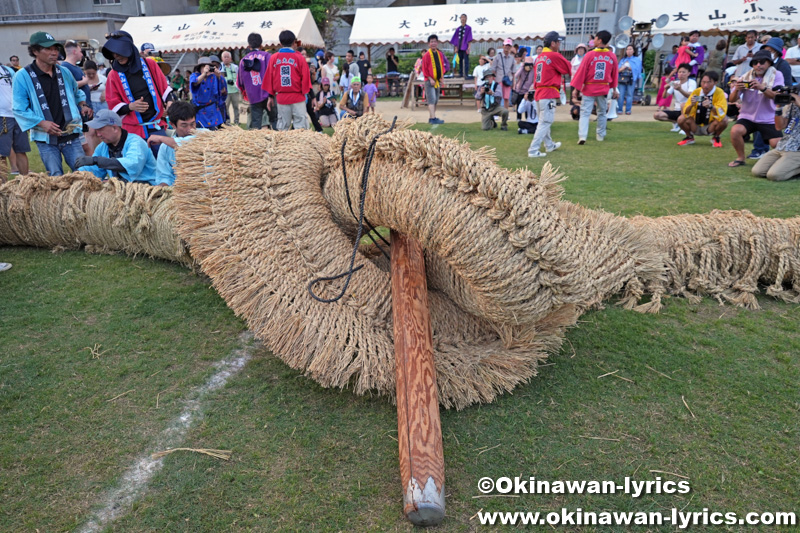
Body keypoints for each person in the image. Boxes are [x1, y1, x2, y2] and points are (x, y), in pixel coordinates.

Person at [13, 32, 92, 176]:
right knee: (55, 177)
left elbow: (76, 92)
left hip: (70, 133)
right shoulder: (22, 76)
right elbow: (19, 109)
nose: (54, 52)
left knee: (83, 175)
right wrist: (42, 123)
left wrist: (83, 104)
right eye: (48, 49)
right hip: (45, 138)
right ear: (35, 51)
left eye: (55, 49)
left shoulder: (64, 72)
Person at [102, 31, 173, 143]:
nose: (116, 56)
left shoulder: (150, 64)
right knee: (137, 160)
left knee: (162, 160)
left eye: (119, 52)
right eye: (113, 53)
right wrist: (130, 106)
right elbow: (113, 105)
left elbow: (164, 88)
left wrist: (169, 102)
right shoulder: (113, 74)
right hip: (132, 131)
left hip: (156, 126)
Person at [727, 50, 784, 167]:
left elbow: (777, 96)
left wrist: (762, 88)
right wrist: (737, 88)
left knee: (777, 144)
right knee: (735, 131)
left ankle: (780, 162)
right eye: (755, 62)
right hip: (747, 116)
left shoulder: (777, 75)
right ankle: (741, 158)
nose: (758, 65)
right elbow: (732, 100)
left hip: (769, 117)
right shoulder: (745, 76)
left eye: (762, 62)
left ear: (769, 63)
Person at [74, 108, 159, 184]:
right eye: (96, 130)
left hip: (147, 188)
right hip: (122, 189)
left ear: (114, 128)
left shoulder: (136, 142)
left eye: (100, 129)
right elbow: (94, 171)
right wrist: (77, 175)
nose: (98, 134)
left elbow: (132, 165)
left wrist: (96, 160)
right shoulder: (102, 147)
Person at [570, 30, 618, 145]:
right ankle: (600, 135)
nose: (593, 40)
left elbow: (581, 73)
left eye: (595, 38)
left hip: (589, 89)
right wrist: (614, 89)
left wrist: (576, 89)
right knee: (602, 112)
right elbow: (615, 74)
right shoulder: (612, 56)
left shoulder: (590, 55)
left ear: (599, 40)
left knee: (585, 112)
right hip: (603, 89)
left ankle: (582, 136)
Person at [528, 31, 571, 158]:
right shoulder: (553, 55)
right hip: (547, 92)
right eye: (558, 42)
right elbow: (568, 68)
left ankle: (549, 145)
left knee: (544, 121)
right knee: (545, 122)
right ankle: (533, 150)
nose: (559, 45)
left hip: (539, 92)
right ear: (553, 43)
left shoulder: (540, 56)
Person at [147, 101, 205, 186]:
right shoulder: (165, 147)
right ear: (172, 124)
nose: (190, 129)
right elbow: (165, 176)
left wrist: (160, 138)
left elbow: (188, 144)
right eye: (184, 125)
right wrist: (162, 188)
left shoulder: (204, 134)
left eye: (192, 124)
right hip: (180, 191)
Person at [263, 30, 310, 131]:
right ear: (294, 43)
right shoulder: (299, 58)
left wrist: (270, 96)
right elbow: (306, 78)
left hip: (282, 98)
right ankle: (300, 146)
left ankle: (282, 147)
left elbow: (269, 78)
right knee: (300, 126)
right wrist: (306, 93)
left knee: (283, 127)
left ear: (280, 43)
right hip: (298, 97)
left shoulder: (274, 58)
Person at [752, 89, 800, 180]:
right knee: (757, 171)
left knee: (774, 175)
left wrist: (798, 100)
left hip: (797, 150)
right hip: (784, 145)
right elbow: (779, 127)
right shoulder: (792, 106)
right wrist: (778, 107)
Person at [676, 71, 728, 147]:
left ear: (715, 82)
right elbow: (686, 112)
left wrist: (711, 107)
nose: (705, 85)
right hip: (695, 125)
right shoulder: (697, 92)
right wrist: (691, 105)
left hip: (710, 126)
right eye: (703, 82)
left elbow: (722, 111)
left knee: (724, 119)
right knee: (681, 118)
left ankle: (716, 137)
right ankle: (689, 137)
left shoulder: (719, 92)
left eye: (709, 82)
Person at [237, 32, 275, 130]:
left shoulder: (243, 60)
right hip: (268, 94)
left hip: (253, 96)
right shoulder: (267, 56)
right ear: (261, 45)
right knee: (274, 120)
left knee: (256, 124)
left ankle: (257, 144)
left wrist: (245, 92)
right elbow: (273, 74)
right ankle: (278, 143)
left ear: (248, 46)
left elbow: (240, 82)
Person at [62, 40, 92, 156]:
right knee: (84, 143)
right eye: (80, 51)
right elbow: (68, 87)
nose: (82, 54)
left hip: (83, 108)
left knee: (87, 139)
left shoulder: (76, 67)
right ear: (74, 51)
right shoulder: (65, 67)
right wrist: (84, 82)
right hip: (77, 112)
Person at [1, 62, 30, 178]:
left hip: (16, 114)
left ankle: (25, 182)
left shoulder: (8, 70)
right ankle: (2, 187)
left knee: (21, 150)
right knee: (1, 153)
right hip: (1, 115)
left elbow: (18, 88)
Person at [653, 64, 696, 130]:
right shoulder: (674, 83)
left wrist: (680, 89)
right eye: (679, 72)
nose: (681, 74)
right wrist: (666, 89)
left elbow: (690, 96)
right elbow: (665, 96)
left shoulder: (692, 82)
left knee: (683, 105)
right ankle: (677, 123)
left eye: (683, 72)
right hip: (677, 110)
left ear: (688, 73)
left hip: (687, 110)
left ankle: (684, 126)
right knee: (657, 115)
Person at [190, 57, 226, 130]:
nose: (207, 69)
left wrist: (219, 77)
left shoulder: (213, 76)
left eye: (209, 67)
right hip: (200, 111)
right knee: (200, 133)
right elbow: (195, 83)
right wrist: (204, 74)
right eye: (204, 66)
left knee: (214, 133)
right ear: (200, 68)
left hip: (212, 111)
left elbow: (222, 89)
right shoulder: (194, 75)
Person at [421, 34, 448, 124]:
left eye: (435, 41)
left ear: (437, 43)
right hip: (429, 80)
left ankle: (432, 117)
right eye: (431, 42)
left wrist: (442, 78)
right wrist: (430, 78)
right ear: (429, 44)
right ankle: (433, 118)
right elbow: (424, 68)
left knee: (436, 99)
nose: (433, 43)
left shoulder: (440, 54)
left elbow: (442, 67)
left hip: (437, 80)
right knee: (431, 99)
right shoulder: (427, 55)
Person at [492, 38, 517, 108]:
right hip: (499, 79)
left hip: (508, 80)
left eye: (509, 45)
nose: (507, 47)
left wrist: (513, 82)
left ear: (511, 47)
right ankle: (497, 112)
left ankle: (505, 113)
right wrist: (493, 81)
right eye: (506, 45)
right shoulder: (497, 57)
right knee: (498, 96)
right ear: (503, 45)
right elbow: (493, 69)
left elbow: (513, 72)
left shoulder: (512, 58)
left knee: (506, 97)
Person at [617, 44, 641, 115]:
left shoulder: (637, 60)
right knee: (621, 94)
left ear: (633, 51)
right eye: (627, 49)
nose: (629, 51)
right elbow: (618, 70)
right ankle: (619, 109)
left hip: (631, 79)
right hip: (622, 78)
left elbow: (637, 70)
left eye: (630, 49)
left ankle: (628, 110)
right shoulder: (623, 60)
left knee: (630, 94)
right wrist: (624, 67)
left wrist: (629, 67)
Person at [450, 14, 473, 79]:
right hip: (459, 47)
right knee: (459, 61)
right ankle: (460, 73)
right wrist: (455, 47)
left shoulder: (468, 28)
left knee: (466, 61)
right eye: (462, 17)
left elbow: (469, 38)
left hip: (465, 47)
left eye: (464, 17)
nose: (463, 19)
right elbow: (455, 38)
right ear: (460, 19)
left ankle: (466, 74)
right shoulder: (458, 29)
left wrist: (469, 47)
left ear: (466, 19)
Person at [221, 51, 240, 125]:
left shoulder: (235, 67)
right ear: (222, 58)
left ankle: (237, 121)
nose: (226, 59)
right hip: (225, 91)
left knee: (236, 107)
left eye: (227, 57)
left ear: (230, 58)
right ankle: (227, 121)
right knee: (226, 107)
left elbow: (238, 77)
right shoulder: (220, 67)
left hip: (234, 90)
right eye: (224, 57)